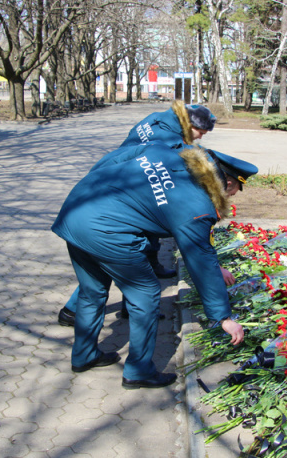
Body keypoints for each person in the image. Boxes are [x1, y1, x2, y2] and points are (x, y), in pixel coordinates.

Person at [51, 143, 257, 389]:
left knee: (91, 291)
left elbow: (118, 157)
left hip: (77, 208)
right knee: (146, 293)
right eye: (236, 190)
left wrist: (94, 181)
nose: (233, 196)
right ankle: (139, 371)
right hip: (105, 230)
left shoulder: (170, 153)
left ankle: (84, 355)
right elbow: (199, 259)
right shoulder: (197, 205)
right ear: (229, 182)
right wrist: (223, 317)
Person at [58, 100, 218, 326]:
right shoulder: (167, 138)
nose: (200, 137)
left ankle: (129, 309)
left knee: (130, 257)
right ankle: (73, 311)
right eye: (199, 132)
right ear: (188, 124)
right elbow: (179, 158)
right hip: (130, 194)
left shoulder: (158, 119)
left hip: (124, 182)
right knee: (112, 265)